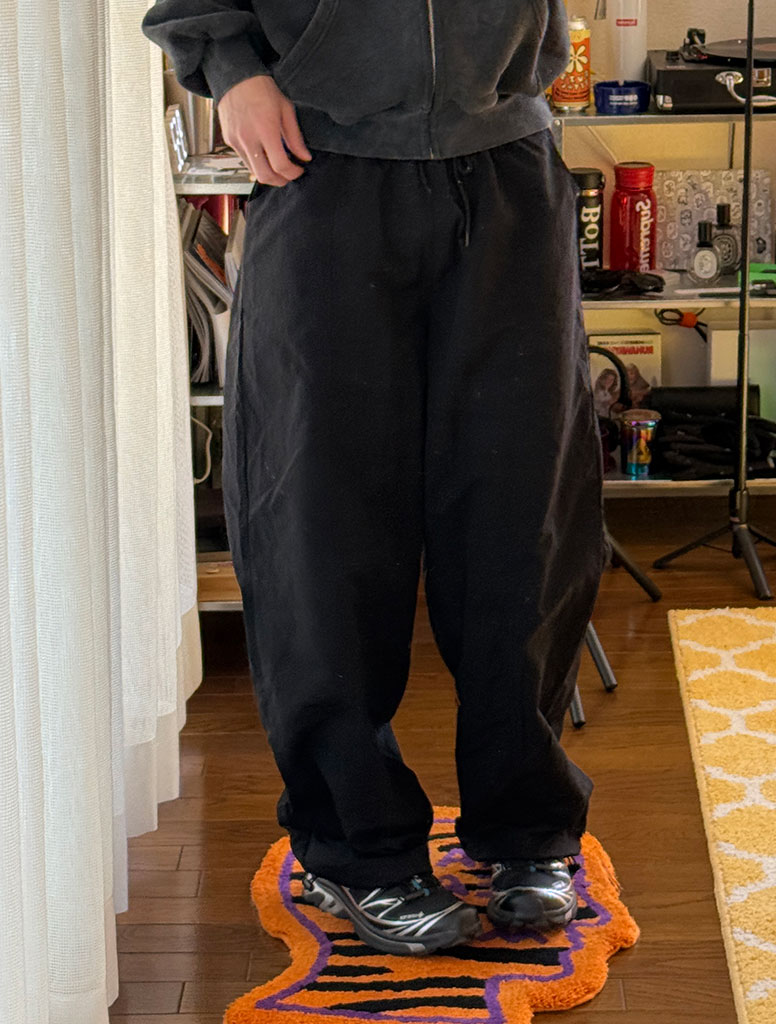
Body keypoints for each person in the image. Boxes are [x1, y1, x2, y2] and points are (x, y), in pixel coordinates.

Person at [141, 0, 609, 957]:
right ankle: (355, 850)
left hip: (507, 158)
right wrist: (233, 69)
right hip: (324, 166)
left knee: (523, 520)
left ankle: (527, 831)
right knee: (324, 530)